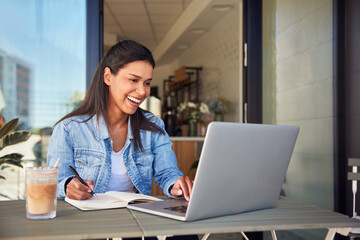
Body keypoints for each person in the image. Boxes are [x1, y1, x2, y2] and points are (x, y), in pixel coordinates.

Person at [46, 40, 194, 203]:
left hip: (136, 222)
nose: (142, 91)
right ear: (108, 77)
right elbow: (52, 185)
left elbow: (168, 173)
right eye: (133, 80)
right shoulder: (69, 129)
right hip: (89, 223)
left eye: (147, 83)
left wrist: (176, 185)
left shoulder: (153, 126)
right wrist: (68, 186)